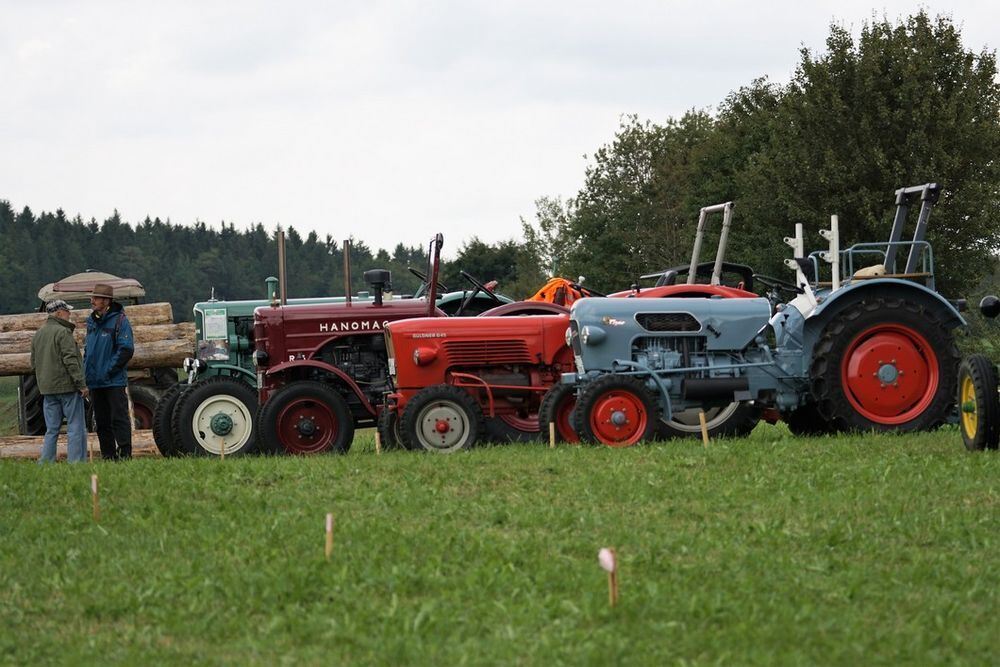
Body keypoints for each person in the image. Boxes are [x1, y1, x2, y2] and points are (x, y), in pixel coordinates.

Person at [30, 299, 89, 463]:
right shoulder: (63, 332)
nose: (69, 314)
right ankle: (76, 463)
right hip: (68, 388)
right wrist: (81, 384)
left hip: (47, 390)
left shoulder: (38, 334)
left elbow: (33, 363)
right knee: (75, 427)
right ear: (59, 313)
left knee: (52, 429)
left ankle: (46, 462)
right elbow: (70, 360)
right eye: (67, 311)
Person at [84, 283, 135, 460]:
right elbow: (88, 352)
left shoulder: (120, 321)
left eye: (95, 298)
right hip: (95, 382)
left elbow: (126, 349)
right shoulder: (91, 322)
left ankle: (125, 454)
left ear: (106, 301)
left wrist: (108, 370)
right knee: (102, 422)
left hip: (113, 381)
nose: (92, 301)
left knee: (119, 419)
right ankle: (108, 456)